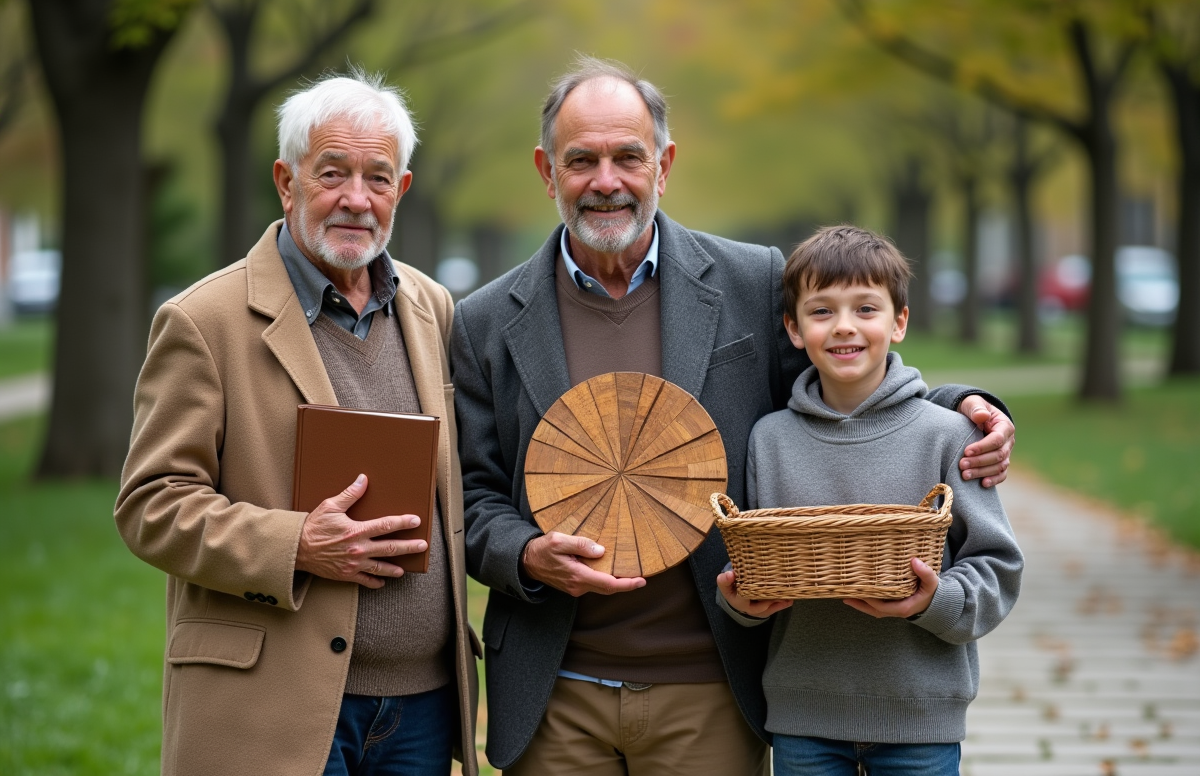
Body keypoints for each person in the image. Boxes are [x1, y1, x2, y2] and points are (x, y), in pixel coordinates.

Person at [450, 55, 1016, 774]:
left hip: (714, 682)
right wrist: (526, 555)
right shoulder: (485, 320)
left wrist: (961, 407)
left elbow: (838, 384)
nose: (606, 181)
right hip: (555, 690)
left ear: (664, 165)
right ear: (546, 169)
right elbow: (471, 495)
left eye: (629, 156)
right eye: (581, 160)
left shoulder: (752, 280)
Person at [115, 70, 478, 776]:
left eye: (378, 178)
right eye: (332, 173)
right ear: (286, 181)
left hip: (424, 709)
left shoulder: (434, 309)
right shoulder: (204, 320)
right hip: (274, 703)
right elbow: (150, 505)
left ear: (401, 191)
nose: (355, 198)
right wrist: (296, 543)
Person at [716, 225, 1024, 775]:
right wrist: (738, 605)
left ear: (898, 321)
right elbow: (751, 569)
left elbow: (997, 569)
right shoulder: (768, 440)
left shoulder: (948, 436)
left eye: (865, 308)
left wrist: (933, 601)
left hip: (920, 717)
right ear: (792, 328)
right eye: (821, 311)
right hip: (802, 718)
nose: (844, 328)